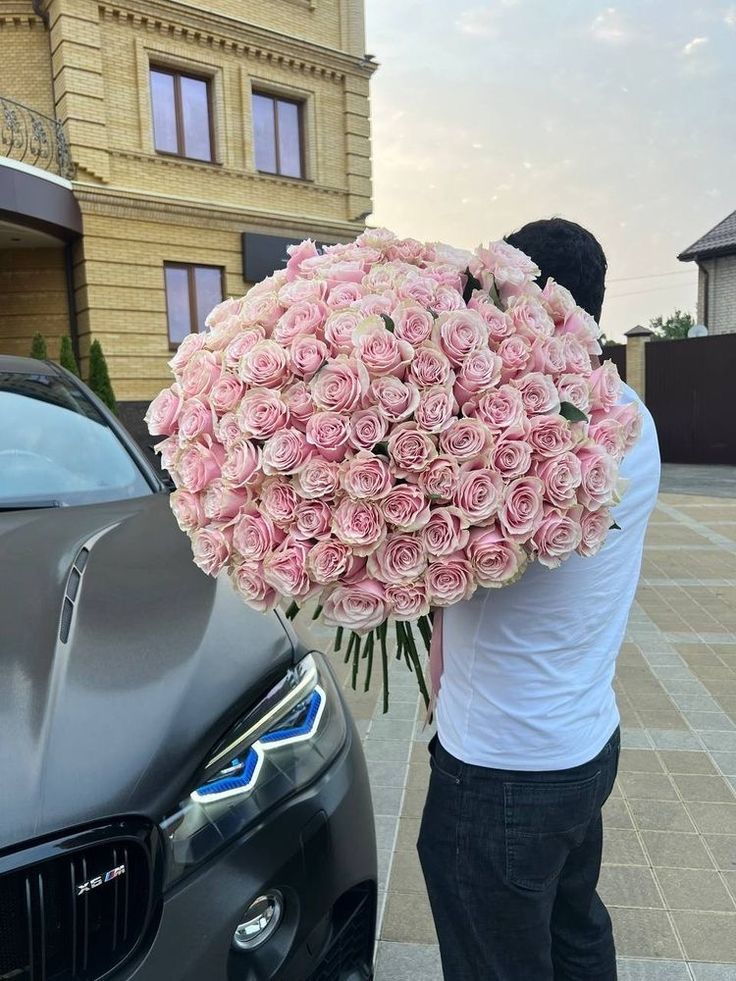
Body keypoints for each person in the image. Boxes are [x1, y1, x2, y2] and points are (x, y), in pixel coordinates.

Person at [417, 218, 661, 981]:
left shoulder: (519, 426)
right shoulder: (632, 416)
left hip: (502, 768)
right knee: (572, 925)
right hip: (584, 743)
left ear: (530, 301)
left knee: (499, 957)